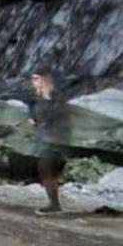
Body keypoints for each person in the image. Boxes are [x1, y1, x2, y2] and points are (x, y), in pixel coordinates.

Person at [29, 69, 70, 214]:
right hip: (45, 140)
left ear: (45, 80)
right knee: (46, 171)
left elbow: (60, 117)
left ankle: (55, 204)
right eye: (33, 79)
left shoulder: (55, 97)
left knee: (46, 170)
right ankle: (54, 203)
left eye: (37, 79)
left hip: (56, 141)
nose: (34, 82)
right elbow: (35, 115)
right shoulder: (37, 98)